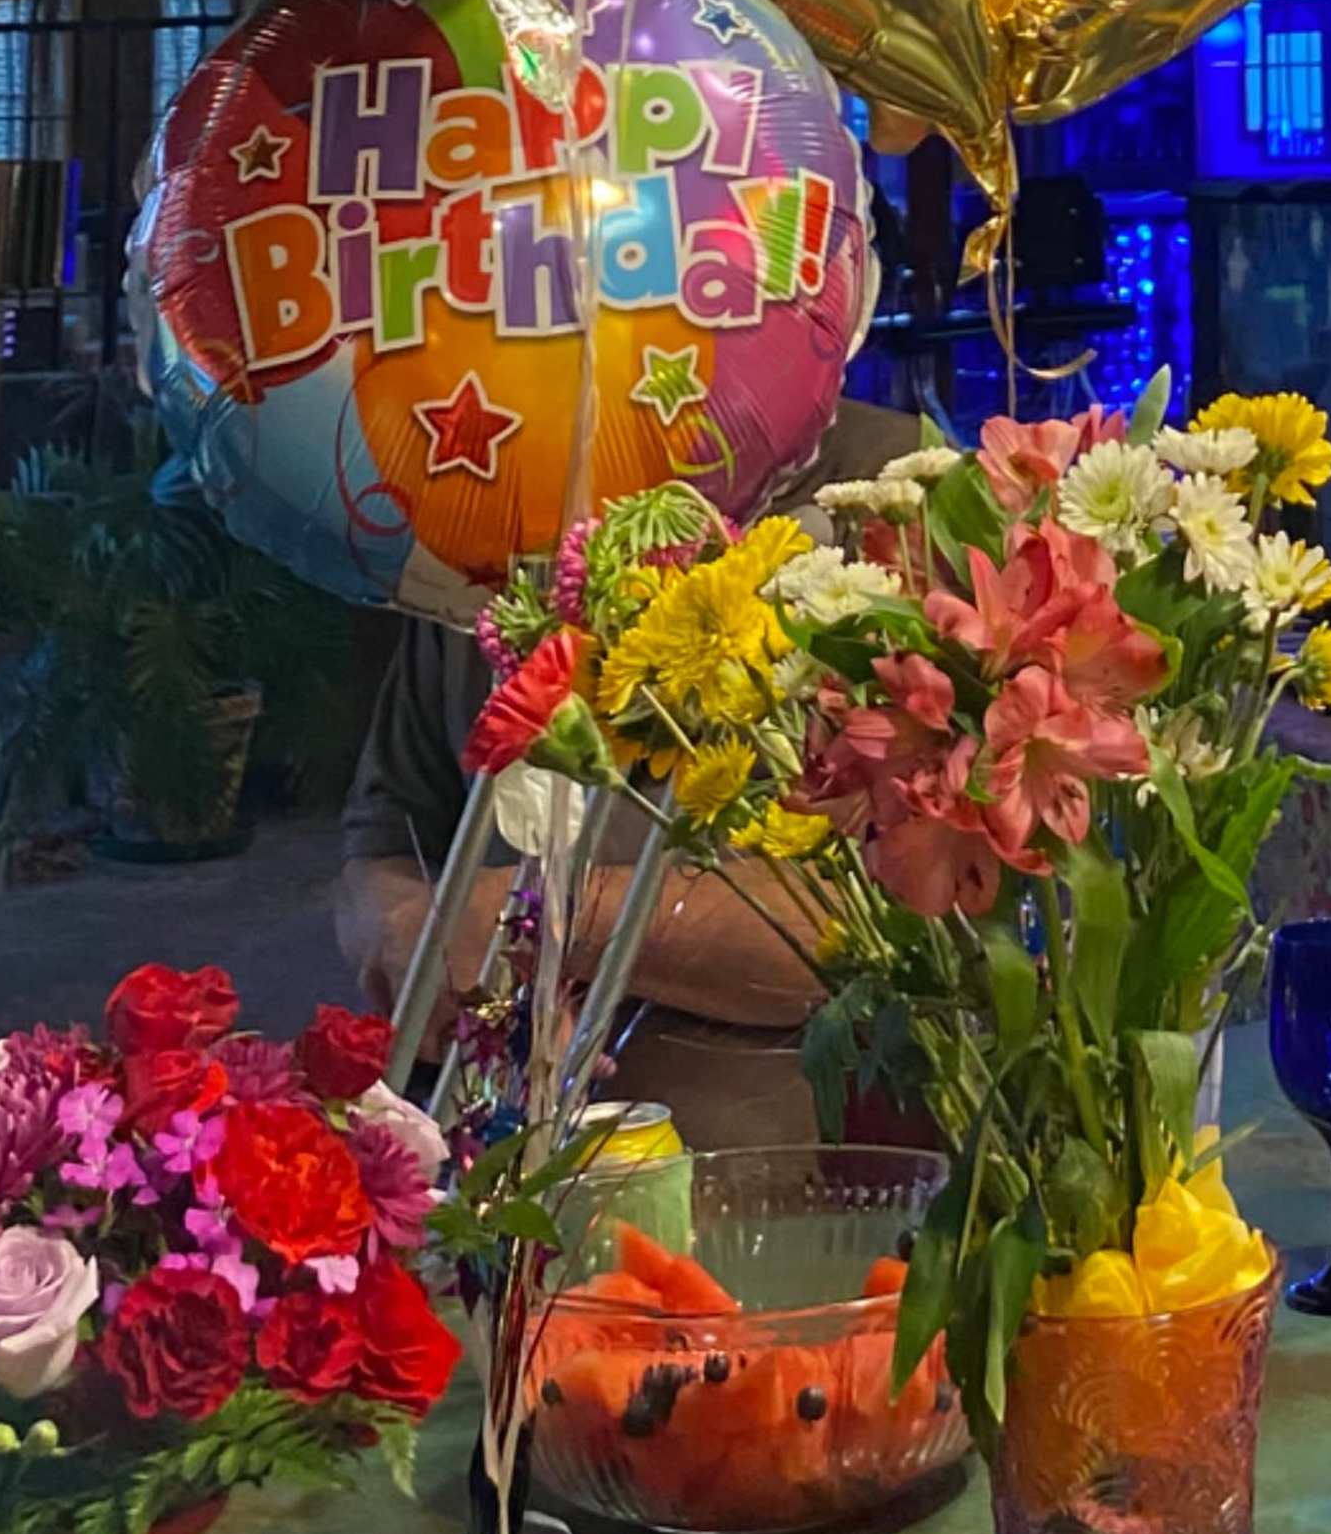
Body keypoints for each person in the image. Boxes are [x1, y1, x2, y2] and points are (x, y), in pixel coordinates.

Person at [334, 390, 919, 1149]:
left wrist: (540, 919)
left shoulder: (890, 488)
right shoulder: (484, 499)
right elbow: (377, 843)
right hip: (489, 1165)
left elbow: (878, 925)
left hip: (776, 1189)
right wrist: (409, 930)